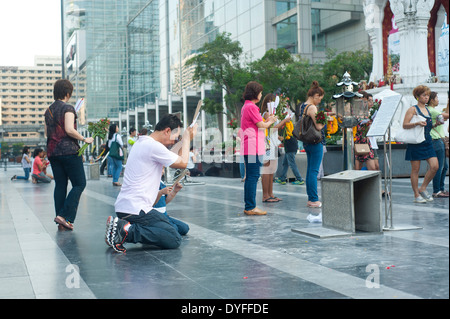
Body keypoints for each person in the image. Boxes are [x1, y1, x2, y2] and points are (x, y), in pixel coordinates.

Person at [105, 114, 197, 253]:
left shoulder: (143, 142)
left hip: (127, 208)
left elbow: (175, 156)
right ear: (166, 131)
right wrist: (186, 139)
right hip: (136, 209)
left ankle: (123, 226)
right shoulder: (153, 147)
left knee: (172, 228)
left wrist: (184, 139)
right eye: (174, 136)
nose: (174, 141)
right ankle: (126, 231)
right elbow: (183, 162)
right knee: (174, 238)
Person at [44, 79, 93, 231]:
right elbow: (69, 129)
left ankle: (61, 220)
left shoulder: (48, 110)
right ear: (67, 93)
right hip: (69, 151)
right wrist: (85, 139)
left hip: (53, 152)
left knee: (60, 184)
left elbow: (47, 133)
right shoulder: (68, 108)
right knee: (79, 183)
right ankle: (65, 216)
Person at [240, 81, 276, 215]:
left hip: (249, 146)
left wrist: (267, 121)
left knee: (251, 176)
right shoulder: (252, 107)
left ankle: (249, 206)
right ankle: (250, 207)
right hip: (253, 146)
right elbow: (261, 125)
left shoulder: (246, 106)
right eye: (260, 92)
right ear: (256, 94)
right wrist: (271, 121)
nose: (261, 95)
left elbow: (258, 124)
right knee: (253, 176)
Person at [403, 85, 438, 203]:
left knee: (435, 166)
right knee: (415, 170)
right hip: (416, 142)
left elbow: (428, 126)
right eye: (424, 95)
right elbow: (405, 125)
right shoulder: (412, 109)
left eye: (427, 95)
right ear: (417, 97)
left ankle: (423, 188)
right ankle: (416, 195)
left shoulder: (427, 110)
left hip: (427, 141)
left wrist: (435, 124)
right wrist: (417, 123)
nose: (426, 97)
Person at [260, 93, 291, 202]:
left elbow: (270, 130)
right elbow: (271, 127)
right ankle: (265, 195)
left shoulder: (271, 113)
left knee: (271, 169)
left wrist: (277, 136)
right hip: (267, 144)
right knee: (267, 169)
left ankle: (270, 194)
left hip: (271, 142)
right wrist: (284, 121)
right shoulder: (267, 114)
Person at [299, 81, 325, 208]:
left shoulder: (303, 106)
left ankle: (311, 198)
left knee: (310, 171)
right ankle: (314, 199)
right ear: (315, 95)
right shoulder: (312, 107)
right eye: (319, 98)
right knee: (314, 171)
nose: (319, 101)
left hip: (307, 141)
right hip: (316, 141)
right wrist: (325, 118)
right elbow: (319, 126)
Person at [153, 171, 189, 236]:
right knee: (174, 229)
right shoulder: (148, 184)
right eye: (161, 168)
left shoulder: (161, 183)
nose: (163, 171)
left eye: (163, 168)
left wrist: (174, 191)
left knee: (185, 228)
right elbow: (150, 204)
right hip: (154, 218)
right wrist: (160, 193)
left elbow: (164, 202)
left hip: (164, 216)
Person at [427, 91, 449, 198]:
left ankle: (441, 189)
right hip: (436, 140)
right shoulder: (433, 111)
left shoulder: (434, 111)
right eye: (436, 98)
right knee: (439, 167)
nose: (438, 100)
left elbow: (445, 117)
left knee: (444, 166)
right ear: (432, 100)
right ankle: (437, 190)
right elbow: (447, 116)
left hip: (439, 140)